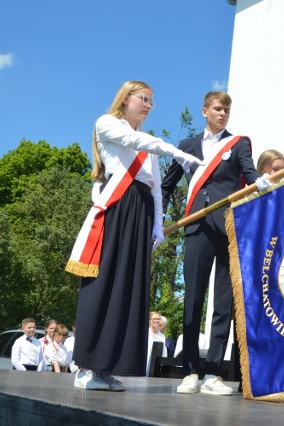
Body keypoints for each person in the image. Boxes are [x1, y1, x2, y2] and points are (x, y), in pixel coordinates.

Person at [67, 80, 204, 392]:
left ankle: (110, 367)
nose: (148, 106)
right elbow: (133, 141)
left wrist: (158, 226)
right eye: (144, 98)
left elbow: (155, 188)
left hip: (140, 212)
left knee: (129, 290)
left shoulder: (147, 143)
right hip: (117, 208)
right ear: (125, 97)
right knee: (103, 284)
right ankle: (88, 366)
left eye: (151, 102)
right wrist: (176, 151)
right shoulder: (108, 124)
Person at [161, 91, 270, 396]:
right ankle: (190, 371)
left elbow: (248, 173)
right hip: (195, 227)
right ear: (205, 111)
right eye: (218, 109)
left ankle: (212, 373)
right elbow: (168, 185)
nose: (222, 114)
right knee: (193, 299)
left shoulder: (238, 144)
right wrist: (158, 217)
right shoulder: (186, 146)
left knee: (223, 303)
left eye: (227, 111)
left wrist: (259, 181)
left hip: (226, 227)